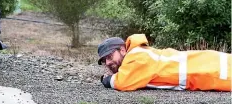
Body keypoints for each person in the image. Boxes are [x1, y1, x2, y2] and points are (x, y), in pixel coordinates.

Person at [98, 34, 231, 91]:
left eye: (110, 57)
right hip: (206, 66)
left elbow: (123, 82)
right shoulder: (138, 54)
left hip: (210, 70)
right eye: (104, 61)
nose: (108, 63)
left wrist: (107, 80)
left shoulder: (136, 57)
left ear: (122, 50)